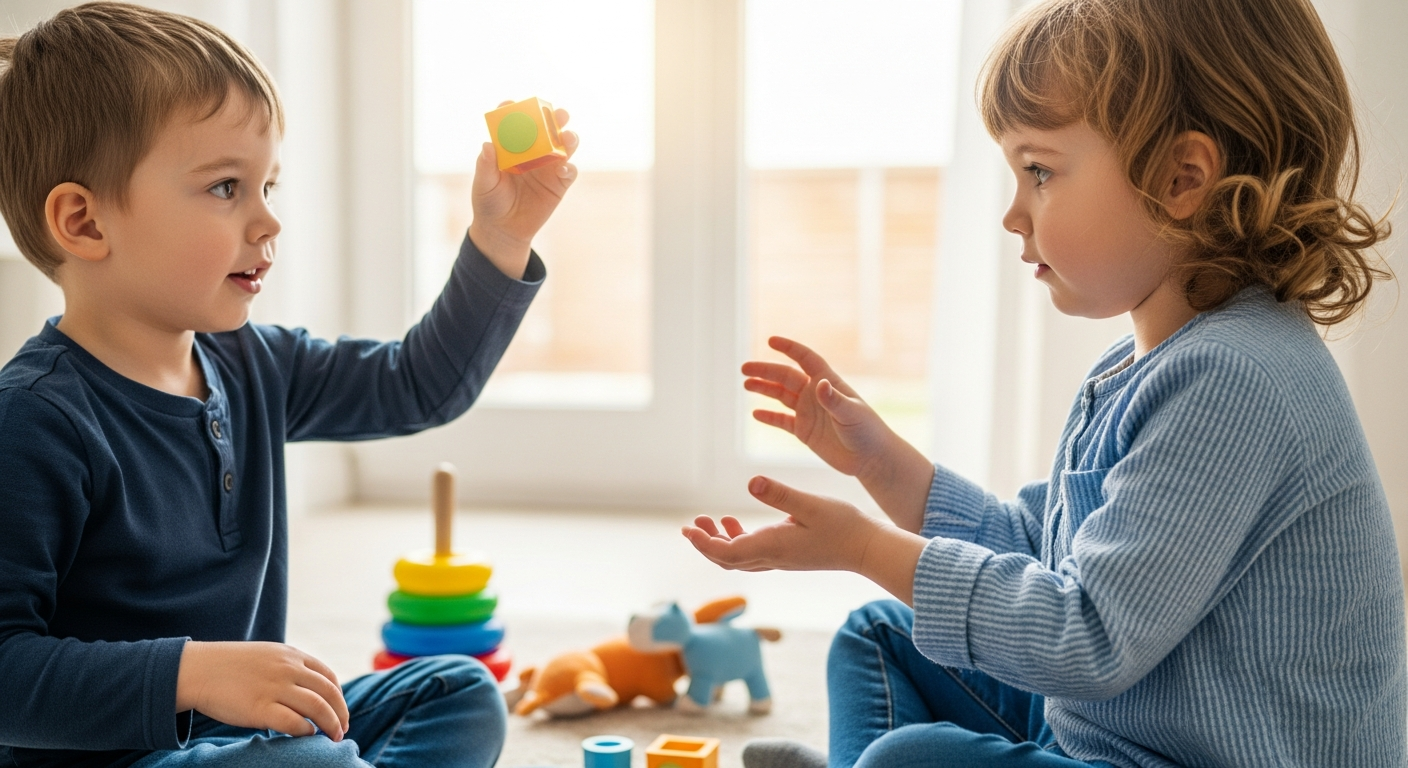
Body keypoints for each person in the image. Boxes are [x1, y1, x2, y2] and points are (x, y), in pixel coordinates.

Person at [683, 0, 1406, 765]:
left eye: (1039, 172)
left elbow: (1085, 637)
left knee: (911, 756)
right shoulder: (1151, 364)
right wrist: (882, 464)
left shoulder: (1233, 382)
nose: (1012, 214)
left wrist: (865, 548)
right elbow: (1044, 555)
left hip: (1187, 752)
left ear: (1181, 178)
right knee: (881, 635)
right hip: (1118, 726)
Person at [0, 3, 577, 766]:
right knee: (313, 762)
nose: (268, 222)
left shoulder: (253, 363)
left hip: (241, 742)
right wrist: (190, 675)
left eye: (268, 186)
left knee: (458, 692)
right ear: (84, 222)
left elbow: (417, 385)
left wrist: (500, 238)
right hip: (120, 756)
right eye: (225, 188)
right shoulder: (35, 419)